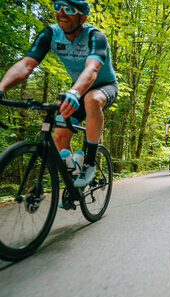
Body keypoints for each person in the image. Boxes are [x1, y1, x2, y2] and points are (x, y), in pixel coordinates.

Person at [0, 0, 117, 188]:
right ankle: (73, 178)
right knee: (58, 137)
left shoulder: (95, 36)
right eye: (58, 7)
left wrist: (74, 92)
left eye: (69, 9)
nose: (62, 13)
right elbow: (26, 65)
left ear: (82, 17)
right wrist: (1, 87)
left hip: (104, 85)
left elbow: (92, 69)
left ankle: (88, 163)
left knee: (91, 98)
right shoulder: (50, 34)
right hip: (77, 88)